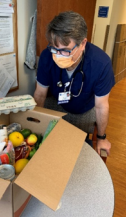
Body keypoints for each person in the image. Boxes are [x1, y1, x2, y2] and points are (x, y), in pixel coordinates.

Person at [34, 11, 115, 155]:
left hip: (84, 109)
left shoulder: (100, 63)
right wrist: (36, 125)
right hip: (55, 106)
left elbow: (101, 105)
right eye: (54, 48)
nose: (58, 55)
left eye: (65, 50)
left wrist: (102, 137)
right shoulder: (47, 57)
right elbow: (40, 95)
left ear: (83, 43)